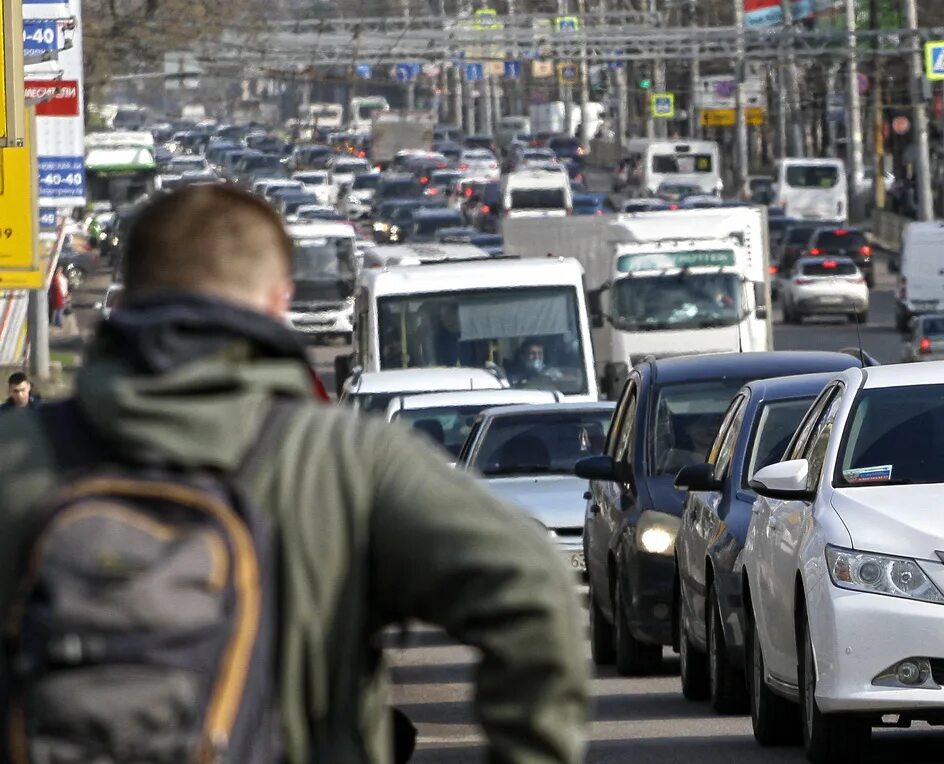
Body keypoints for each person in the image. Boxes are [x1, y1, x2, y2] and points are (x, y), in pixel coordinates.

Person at [0, 185, 587, 763]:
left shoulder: (16, 455)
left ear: (125, 302)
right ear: (278, 301)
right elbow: (532, 588)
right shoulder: (344, 463)